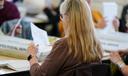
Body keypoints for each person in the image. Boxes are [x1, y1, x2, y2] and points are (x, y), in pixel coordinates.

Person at [27, 0, 103, 76]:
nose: (61, 20)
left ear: (68, 18)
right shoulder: (96, 44)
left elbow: (38, 74)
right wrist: (57, 48)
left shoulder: (64, 45)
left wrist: (32, 56)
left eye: (62, 16)